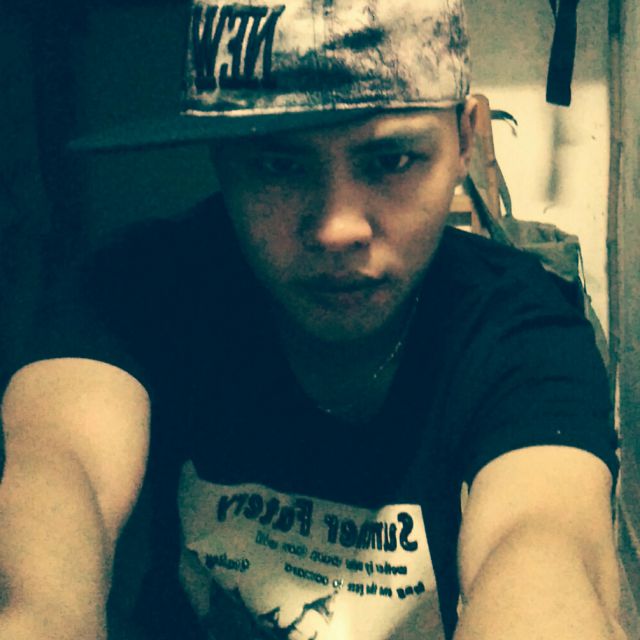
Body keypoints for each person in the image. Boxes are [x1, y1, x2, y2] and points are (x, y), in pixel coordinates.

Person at [0, 1, 627, 639]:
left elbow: (548, 548)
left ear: (465, 141)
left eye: (391, 160)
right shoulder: (132, 288)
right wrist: (40, 608)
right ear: (221, 157)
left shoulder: (521, 329)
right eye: (279, 165)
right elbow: (60, 475)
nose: (337, 228)